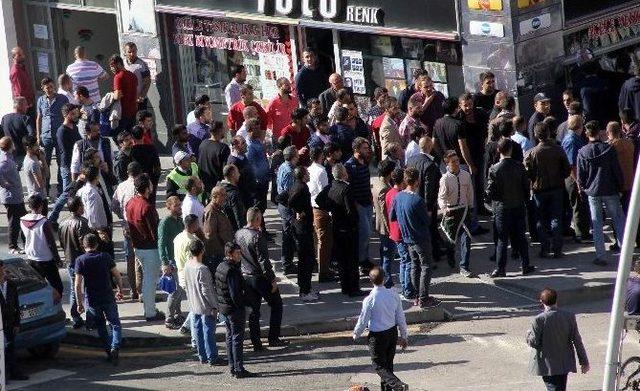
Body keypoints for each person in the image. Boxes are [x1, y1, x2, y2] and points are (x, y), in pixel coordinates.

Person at [235, 207, 288, 349]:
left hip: (246, 276)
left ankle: (256, 342)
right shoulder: (257, 236)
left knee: (254, 311)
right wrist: (272, 280)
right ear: (257, 219)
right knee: (276, 304)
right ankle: (273, 338)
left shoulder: (239, 234)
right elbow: (263, 261)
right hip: (260, 277)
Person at [577, 121, 626, 266]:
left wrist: (585, 188)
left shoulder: (582, 152)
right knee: (618, 219)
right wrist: (620, 186)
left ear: (587, 134)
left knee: (596, 223)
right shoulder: (609, 149)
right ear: (600, 132)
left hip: (593, 191)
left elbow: (581, 176)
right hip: (610, 189)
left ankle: (601, 256)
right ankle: (625, 252)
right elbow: (616, 170)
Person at [353, 267, 409, 391]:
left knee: (378, 365)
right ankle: (390, 388)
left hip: (377, 336)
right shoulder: (394, 295)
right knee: (388, 366)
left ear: (370, 281)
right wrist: (404, 336)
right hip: (392, 333)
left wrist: (356, 334)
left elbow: (363, 320)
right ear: (384, 279)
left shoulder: (369, 299)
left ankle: (397, 385)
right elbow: (401, 317)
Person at [486, 139, 535, 278]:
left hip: (501, 208)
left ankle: (500, 268)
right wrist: (525, 199)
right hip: (518, 206)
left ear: (498, 151)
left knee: (502, 239)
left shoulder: (494, 169)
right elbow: (526, 187)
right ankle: (525, 265)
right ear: (511, 150)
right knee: (521, 237)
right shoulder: (519, 167)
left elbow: (490, 191)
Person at [391, 168, 440, 308]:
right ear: (417, 181)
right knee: (426, 266)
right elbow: (427, 221)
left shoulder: (398, 197)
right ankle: (424, 298)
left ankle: (417, 295)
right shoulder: (417, 200)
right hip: (420, 238)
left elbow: (392, 217)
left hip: (407, 238)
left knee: (414, 266)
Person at [526, 288, 589, 391]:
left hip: (547, 365)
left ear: (541, 302)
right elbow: (577, 341)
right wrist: (584, 362)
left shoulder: (539, 319)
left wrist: (528, 335)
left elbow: (534, 342)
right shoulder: (569, 316)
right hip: (564, 364)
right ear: (556, 300)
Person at [75, 233, 124, 365]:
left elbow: (78, 284)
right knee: (115, 324)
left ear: (83, 246)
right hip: (107, 296)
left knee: (101, 326)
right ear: (97, 244)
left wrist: (79, 304)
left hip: (92, 299)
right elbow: (117, 276)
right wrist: (120, 290)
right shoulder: (105, 257)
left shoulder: (80, 260)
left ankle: (109, 351)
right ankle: (115, 347)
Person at [524, 123, 570, 259]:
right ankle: (557, 249)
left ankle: (544, 248)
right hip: (556, 188)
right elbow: (566, 169)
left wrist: (534, 180)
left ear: (536, 136)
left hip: (539, 190)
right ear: (549, 133)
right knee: (556, 218)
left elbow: (528, 173)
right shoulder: (558, 149)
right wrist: (560, 177)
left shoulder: (531, 153)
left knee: (541, 220)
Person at [126, 175, 164, 321]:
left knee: (148, 279)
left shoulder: (131, 202)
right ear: (147, 188)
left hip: (138, 247)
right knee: (150, 280)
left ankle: (150, 308)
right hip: (150, 248)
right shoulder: (147, 207)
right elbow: (154, 231)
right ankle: (150, 312)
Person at [215, 242, 255, 378]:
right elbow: (235, 294)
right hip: (234, 310)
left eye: (239, 252)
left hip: (225, 308)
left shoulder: (221, 266)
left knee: (230, 338)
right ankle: (238, 368)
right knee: (237, 339)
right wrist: (242, 306)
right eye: (237, 253)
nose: (240, 255)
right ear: (229, 254)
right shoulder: (231, 270)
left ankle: (233, 367)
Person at [407, 136, 449, 265]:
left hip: (412, 199)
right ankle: (433, 254)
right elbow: (428, 189)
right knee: (429, 229)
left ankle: (436, 250)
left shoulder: (411, 160)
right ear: (430, 147)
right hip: (425, 204)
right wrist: (429, 208)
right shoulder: (430, 165)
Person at [183, 238, 225, 366]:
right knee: (208, 333)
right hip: (205, 306)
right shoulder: (202, 269)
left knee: (197, 331)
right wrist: (214, 305)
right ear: (202, 251)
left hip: (194, 304)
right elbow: (206, 291)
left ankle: (202, 356)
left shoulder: (187, 265)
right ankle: (212, 357)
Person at [325, 163, 364, 297]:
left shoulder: (332, 186)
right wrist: (355, 223)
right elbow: (350, 211)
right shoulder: (346, 189)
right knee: (352, 260)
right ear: (343, 174)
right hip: (348, 229)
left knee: (342, 260)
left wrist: (332, 210)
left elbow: (321, 199)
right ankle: (353, 288)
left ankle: (345, 286)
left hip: (337, 226)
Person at [438, 151, 475, 278]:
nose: (456, 163)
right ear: (447, 164)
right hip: (451, 212)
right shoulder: (445, 179)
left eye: (457, 160)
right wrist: (444, 208)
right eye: (453, 161)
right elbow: (441, 197)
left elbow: (470, 191)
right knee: (451, 240)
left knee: (466, 239)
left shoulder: (466, 175)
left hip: (464, 210)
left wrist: (470, 206)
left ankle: (464, 266)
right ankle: (450, 256)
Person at [59, 196, 92, 328]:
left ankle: (75, 317)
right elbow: (84, 243)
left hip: (69, 259)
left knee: (74, 288)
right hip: (81, 259)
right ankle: (90, 317)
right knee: (87, 288)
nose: (83, 208)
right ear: (78, 208)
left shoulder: (62, 223)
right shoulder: (82, 223)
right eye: (82, 205)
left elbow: (61, 242)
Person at [21, 194, 63, 297]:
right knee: (58, 287)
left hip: (31, 259)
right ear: (41, 206)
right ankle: (53, 308)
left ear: (29, 206)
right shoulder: (44, 222)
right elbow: (51, 243)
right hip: (46, 260)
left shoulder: (22, 220)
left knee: (37, 289)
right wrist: (57, 259)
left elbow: (23, 238)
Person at [111, 162, 143, 300]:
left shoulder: (121, 186)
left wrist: (122, 216)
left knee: (130, 258)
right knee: (141, 256)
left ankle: (133, 290)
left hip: (127, 225)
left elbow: (114, 205)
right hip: (140, 225)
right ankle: (141, 289)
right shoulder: (141, 185)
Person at [287, 166, 318, 301]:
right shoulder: (301, 187)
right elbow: (288, 201)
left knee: (305, 260)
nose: (309, 174)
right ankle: (305, 291)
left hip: (301, 228)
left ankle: (306, 288)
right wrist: (298, 210)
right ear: (303, 175)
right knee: (307, 260)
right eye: (307, 173)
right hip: (302, 229)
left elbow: (282, 197)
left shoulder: (296, 185)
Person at [345, 137, 374, 275]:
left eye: (367, 148)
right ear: (356, 149)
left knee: (367, 234)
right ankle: (360, 260)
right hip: (359, 205)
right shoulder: (350, 166)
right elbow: (349, 188)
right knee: (365, 233)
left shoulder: (364, 163)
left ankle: (365, 258)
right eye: (364, 148)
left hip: (367, 202)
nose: (367, 150)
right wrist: (355, 205)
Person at [458, 92, 489, 218]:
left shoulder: (480, 114)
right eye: (465, 105)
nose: (468, 108)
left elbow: (486, 131)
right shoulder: (459, 119)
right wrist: (469, 163)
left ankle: (481, 207)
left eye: (470, 104)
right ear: (460, 106)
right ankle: (473, 211)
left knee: (480, 182)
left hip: (479, 153)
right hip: (466, 157)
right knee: (469, 186)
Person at [608, 121, 638, 246]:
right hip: (630, 182)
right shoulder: (630, 143)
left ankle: (620, 241)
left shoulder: (611, 147)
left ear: (609, 132)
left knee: (616, 215)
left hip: (616, 184)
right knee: (631, 211)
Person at [36, 77, 69, 195]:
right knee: (45, 163)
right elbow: (39, 118)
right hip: (46, 136)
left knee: (61, 162)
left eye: (51, 87)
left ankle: (61, 188)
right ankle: (46, 188)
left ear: (54, 86)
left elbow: (68, 115)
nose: (49, 89)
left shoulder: (62, 98)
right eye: (47, 88)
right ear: (43, 89)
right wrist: (38, 135)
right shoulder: (40, 100)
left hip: (59, 135)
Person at [561, 115, 591, 243]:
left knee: (580, 205)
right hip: (573, 178)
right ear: (579, 125)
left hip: (576, 176)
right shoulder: (572, 140)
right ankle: (581, 234)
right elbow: (572, 164)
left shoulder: (573, 138)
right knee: (578, 205)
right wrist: (578, 181)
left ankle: (583, 231)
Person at [157, 196, 186, 328]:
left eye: (180, 205)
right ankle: (169, 318)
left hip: (180, 259)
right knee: (175, 291)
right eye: (176, 206)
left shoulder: (180, 221)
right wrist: (164, 263)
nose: (179, 208)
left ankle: (177, 314)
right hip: (171, 260)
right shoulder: (165, 222)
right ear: (169, 207)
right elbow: (161, 243)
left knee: (180, 290)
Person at [174, 214, 203, 341]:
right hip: (190, 276)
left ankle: (186, 327)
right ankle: (193, 337)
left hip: (180, 273)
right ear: (192, 225)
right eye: (197, 223)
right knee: (197, 306)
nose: (199, 225)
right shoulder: (191, 241)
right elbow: (191, 261)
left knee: (194, 305)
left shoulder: (178, 237)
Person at [307, 146, 333, 282]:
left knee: (317, 240)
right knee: (324, 242)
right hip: (321, 209)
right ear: (320, 156)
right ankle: (324, 271)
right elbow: (325, 192)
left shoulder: (309, 169)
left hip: (312, 207)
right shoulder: (321, 171)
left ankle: (321, 267)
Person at [0, 259, 29, 381]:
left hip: (10, 322)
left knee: (10, 348)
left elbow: (16, 305)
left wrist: (17, 323)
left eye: (3, 269)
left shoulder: (11, 285)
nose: (3, 272)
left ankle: (14, 373)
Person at [372, 160, 397, 288]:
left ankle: (383, 278)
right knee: (388, 255)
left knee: (384, 253)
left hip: (381, 226)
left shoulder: (377, 183)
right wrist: (390, 231)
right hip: (386, 228)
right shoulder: (384, 188)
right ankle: (386, 282)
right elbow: (384, 212)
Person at [0, 137, 27, 254]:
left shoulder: (7, 156)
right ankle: (13, 246)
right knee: (14, 222)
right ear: (11, 146)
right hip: (11, 197)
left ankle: (25, 242)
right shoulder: (5, 160)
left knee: (23, 218)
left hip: (15, 195)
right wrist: (3, 183)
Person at [276, 146, 299, 275]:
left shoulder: (283, 166)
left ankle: (288, 262)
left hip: (282, 205)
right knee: (288, 236)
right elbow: (291, 193)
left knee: (287, 234)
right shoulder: (290, 171)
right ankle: (287, 264)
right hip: (287, 206)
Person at [203, 186, 234, 271]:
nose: (225, 197)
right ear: (215, 196)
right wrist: (223, 248)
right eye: (223, 195)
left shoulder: (218, 209)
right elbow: (209, 235)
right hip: (217, 254)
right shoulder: (211, 211)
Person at [433, 97, 469, 165]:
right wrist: (470, 164)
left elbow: (434, 143)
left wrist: (442, 157)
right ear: (455, 109)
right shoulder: (458, 124)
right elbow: (463, 147)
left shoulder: (437, 123)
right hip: (460, 162)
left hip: (447, 162)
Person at [198, 121, 230, 195]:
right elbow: (226, 171)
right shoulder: (223, 148)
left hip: (205, 187)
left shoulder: (203, 144)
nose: (225, 130)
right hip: (218, 189)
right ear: (220, 130)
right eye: (224, 128)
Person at [109, 55, 138, 135]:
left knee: (118, 136)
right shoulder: (132, 75)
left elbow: (117, 95)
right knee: (131, 136)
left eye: (112, 66)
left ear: (118, 64)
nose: (111, 69)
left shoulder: (118, 77)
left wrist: (111, 95)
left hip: (122, 113)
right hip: (133, 111)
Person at [1, 97, 33, 169]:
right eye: (25, 105)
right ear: (20, 106)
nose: (27, 107)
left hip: (8, 154)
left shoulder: (4, 118)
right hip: (23, 154)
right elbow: (31, 137)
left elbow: (2, 136)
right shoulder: (25, 118)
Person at [56, 103, 82, 191]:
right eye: (73, 114)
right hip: (67, 166)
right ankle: (58, 205)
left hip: (76, 163)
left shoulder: (75, 127)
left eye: (76, 113)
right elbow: (65, 151)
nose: (75, 116)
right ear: (65, 115)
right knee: (67, 192)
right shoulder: (62, 131)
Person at [9, 47, 35, 126]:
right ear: (14, 57)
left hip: (29, 103)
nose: (22, 56)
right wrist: (26, 104)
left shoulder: (22, 68)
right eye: (19, 55)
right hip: (25, 106)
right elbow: (19, 92)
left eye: (22, 54)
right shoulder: (16, 71)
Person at [123, 42, 151, 109]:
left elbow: (147, 82)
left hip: (139, 100)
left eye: (134, 51)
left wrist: (142, 96)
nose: (132, 54)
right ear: (125, 52)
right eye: (129, 52)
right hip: (126, 99)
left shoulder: (142, 65)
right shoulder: (122, 63)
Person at [220, 164, 247, 232]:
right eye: (237, 172)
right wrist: (242, 233)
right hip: (233, 230)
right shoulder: (234, 194)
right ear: (233, 174)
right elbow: (238, 215)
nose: (239, 174)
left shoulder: (218, 189)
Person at [22, 135, 48, 199]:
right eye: (35, 145)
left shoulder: (32, 157)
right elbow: (41, 185)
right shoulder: (32, 163)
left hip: (35, 195)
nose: (38, 147)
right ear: (28, 148)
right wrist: (43, 160)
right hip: (39, 198)